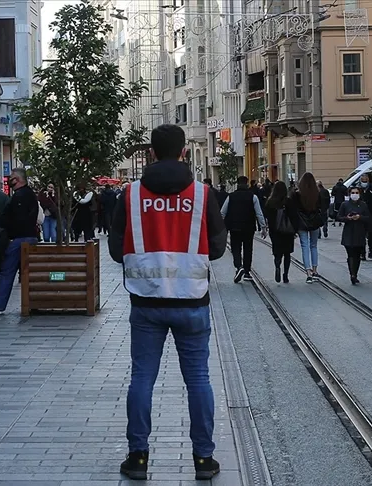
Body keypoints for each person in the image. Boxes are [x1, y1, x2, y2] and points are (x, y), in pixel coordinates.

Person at [108, 124, 227, 481]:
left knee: (142, 378)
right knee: (199, 381)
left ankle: (138, 457)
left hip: (146, 303)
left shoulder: (128, 196)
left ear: (152, 154)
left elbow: (116, 250)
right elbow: (219, 248)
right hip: (192, 302)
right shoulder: (204, 195)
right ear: (184, 152)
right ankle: (204, 460)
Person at [0, 168, 39, 316]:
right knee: (16, 271)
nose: (9, 180)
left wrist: (8, 235)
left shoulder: (20, 197)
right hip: (27, 238)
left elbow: (17, 219)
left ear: (17, 179)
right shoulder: (27, 195)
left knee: (7, 271)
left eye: (11, 177)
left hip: (19, 239)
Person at [221, 175, 267, 283]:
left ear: (237, 184)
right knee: (248, 248)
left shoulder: (231, 196)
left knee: (235, 248)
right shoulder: (253, 197)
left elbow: (222, 212)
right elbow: (259, 213)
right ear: (247, 184)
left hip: (234, 226)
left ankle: (238, 266)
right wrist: (263, 227)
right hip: (248, 227)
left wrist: (220, 226)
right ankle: (247, 272)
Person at [288, 172, 325, 283]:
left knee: (305, 246)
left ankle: (308, 272)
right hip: (314, 222)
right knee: (314, 246)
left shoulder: (296, 194)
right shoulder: (317, 193)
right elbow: (321, 208)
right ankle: (315, 270)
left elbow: (293, 209)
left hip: (301, 223)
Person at [338, 186, 372, 285]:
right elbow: (339, 217)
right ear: (349, 194)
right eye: (353, 192)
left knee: (357, 255)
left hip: (360, 233)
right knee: (350, 254)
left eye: (357, 192)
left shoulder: (363, 205)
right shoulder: (345, 204)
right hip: (348, 232)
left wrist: (360, 217)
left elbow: (368, 218)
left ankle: (355, 273)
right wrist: (347, 218)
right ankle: (352, 274)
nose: (355, 194)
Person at [265, 181, 295, 283]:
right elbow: (293, 216)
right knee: (287, 254)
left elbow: (267, 216)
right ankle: (285, 274)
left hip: (275, 231)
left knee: (277, 252)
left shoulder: (270, 202)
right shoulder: (289, 201)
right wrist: (295, 230)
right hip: (287, 231)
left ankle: (277, 266)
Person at [358, 173, 372, 260]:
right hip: (360, 216)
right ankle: (362, 253)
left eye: (365, 179)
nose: (364, 181)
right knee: (361, 235)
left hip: (370, 215)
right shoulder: (357, 189)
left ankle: (371, 250)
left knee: (371, 234)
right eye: (363, 179)